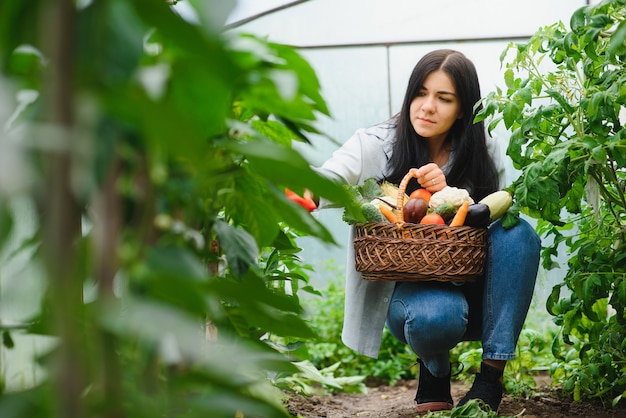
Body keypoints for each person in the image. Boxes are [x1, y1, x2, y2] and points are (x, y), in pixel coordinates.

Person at [311, 49, 541, 413]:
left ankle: (489, 380)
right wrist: (301, 189)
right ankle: (435, 368)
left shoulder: (485, 147)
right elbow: (329, 177)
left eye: (443, 98)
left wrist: (450, 193)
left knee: (520, 234)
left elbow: (502, 208)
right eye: (420, 93)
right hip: (413, 298)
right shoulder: (378, 143)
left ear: (463, 108)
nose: (427, 106)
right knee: (436, 316)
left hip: (478, 291)